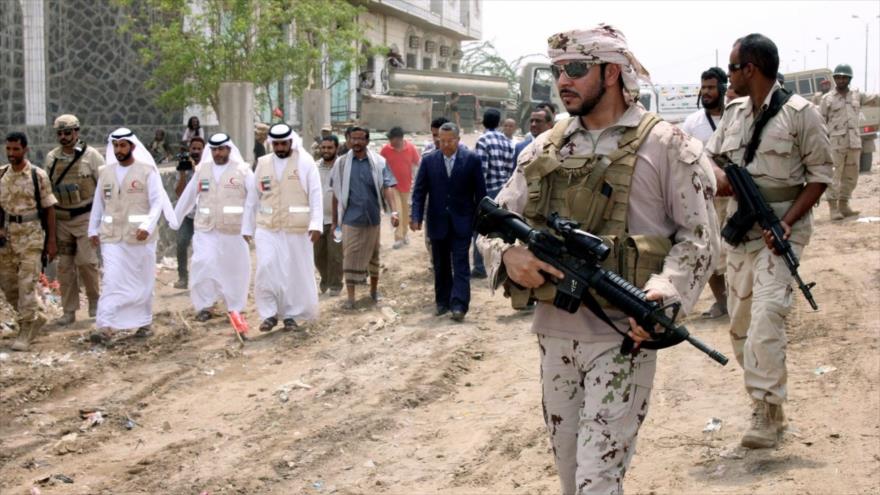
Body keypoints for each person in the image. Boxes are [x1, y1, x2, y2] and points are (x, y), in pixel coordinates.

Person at [477, 24, 717, 493]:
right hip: (554, 337)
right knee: (572, 479)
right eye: (557, 70)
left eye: (576, 69)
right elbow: (493, 225)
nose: (563, 80)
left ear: (611, 72)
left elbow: (700, 238)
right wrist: (509, 259)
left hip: (623, 338)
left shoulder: (666, 146)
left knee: (596, 480)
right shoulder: (545, 148)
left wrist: (667, 291)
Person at [707, 33, 832, 449]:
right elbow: (714, 162)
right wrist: (719, 183)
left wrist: (786, 224)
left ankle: (766, 410)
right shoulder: (733, 113)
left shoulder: (802, 114)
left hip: (783, 232)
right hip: (742, 231)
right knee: (740, 324)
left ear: (751, 69)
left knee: (766, 318)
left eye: (731, 68)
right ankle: (766, 403)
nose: (728, 77)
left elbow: (819, 176)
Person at [87, 128, 177, 344]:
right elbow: (98, 204)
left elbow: (157, 202)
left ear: (132, 147)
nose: (119, 150)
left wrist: (147, 224)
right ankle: (106, 325)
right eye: (116, 146)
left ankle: (144, 322)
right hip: (112, 237)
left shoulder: (147, 171)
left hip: (140, 238)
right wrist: (92, 229)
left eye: (123, 145)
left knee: (142, 281)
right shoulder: (105, 173)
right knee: (111, 279)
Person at [245, 123, 322, 332]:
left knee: (292, 272)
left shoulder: (305, 162)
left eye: (283, 143)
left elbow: (316, 194)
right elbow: (253, 198)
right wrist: (246, 227)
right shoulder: (262, 164)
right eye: (276, 144)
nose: (279, 148)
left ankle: (290, 314)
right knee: (266, 268)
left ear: (291, 142)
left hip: (297, 229)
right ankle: (269, 314)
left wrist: (316, 224)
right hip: (267, 228)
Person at [174, 133, 255, 322]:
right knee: (202, 263)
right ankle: (205, 305)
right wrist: (175, 218)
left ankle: (235, 307)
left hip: (234, 230)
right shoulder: (202, 170)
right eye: (214, 149)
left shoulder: (242, 171)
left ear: (229, 149)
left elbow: (254, 200)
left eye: (221, 149)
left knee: (234, 269)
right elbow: (188, 196)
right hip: (205, 228)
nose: (218, 153)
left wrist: (249, 227)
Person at [410, 122, 486, 322]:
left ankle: (459, 304)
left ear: (458, 140)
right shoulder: (429, 161)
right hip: (437, 221)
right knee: (440, 264)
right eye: (441, 141)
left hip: (462, 221)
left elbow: (480, 194)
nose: (444, 145)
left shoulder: (472, 160)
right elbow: (419, 191)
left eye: (449, 141)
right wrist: (415, 216)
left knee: (460, 263)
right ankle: (442, 302)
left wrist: (481, 221)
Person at [330, 126, 400, 310]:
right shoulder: (341, 164)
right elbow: (336, 193)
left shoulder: (379, 162)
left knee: (374, 256)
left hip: (372, 219)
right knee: (350, 257)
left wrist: (394, 211)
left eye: (361, 139)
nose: (357, 142)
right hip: (350, 219)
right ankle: (351, 298)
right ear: (349, 140)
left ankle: (374, 291)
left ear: (367, 141)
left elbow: (388, 187)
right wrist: (335, 222)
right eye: (353, 138)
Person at [44, 114, 104, 326]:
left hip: (85, 217)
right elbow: (47, 190)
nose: (63, 137)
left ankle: (95, 303)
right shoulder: (52, 158)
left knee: (87, 262)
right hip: (62, 219)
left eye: (67, 132)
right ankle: (69, 311)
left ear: (76, 132)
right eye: (59, 133)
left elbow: (104, 188)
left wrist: (102, 220)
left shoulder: (92, 156)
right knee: (65, 267)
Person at [1, 132, 58, 351]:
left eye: (16, 149)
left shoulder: (37, 175)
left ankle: (26, 330)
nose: (11, 153)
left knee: (26, 284)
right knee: (9, 285)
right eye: (8, 149)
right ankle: (35, 318)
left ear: (25, 149)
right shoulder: (2, 175)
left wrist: (51, 241)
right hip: (7, 237)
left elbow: (49, 209)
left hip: (32, 236)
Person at [681, 67, 730, 319]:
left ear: (723, 87)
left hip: (736, 197)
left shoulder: (736, 115)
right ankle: (723, 303)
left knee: (737, 251)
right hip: (707, 198)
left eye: (712, 87)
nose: (707, 92)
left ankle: (740, 300)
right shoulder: (693, 123)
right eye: (704, 87)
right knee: (710, 252)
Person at [819, 63, 879, 220]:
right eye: (838, 77)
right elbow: (820, 122)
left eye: (844, 77)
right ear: (835, 79)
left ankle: (844, 205)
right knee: (834, 176)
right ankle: (833, 208)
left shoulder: (856, 95)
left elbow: (874, 99)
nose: (840, 80)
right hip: (835, 144)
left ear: (849, 79)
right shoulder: (827, 99)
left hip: (854, 143)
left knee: (851, 176)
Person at [473, 108, 514, 279]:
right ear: (498, 123)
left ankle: (480, 268)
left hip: (487, 191)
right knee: (500, 231)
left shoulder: (482, 141)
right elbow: (511, 169)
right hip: (504, 189)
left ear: (483, 121)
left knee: (480, 230)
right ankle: (500, 268)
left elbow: (481, 171)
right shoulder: (507, 142)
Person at [380, 126, 421, 249]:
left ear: (399, 139)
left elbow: (418, 164)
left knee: (404, 211)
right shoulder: (386, 150)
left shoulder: (411, 148)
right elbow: (380, 165)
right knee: (397, 210)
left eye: (392, 139)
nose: (390, 142)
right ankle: (398, 237)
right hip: (392, 186)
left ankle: (404, 234)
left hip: (406, 185)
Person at [314, 135, 343, 296]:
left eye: (329, 148)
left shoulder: (342, 166)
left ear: (336, 148)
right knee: (318, 255)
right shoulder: (314, 167)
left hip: (338, 220)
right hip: (317, 220)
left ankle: (335, 284)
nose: (326, 151)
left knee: (335, 254)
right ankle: (325, 279)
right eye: (323, 148)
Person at [173, 136, 204, 289]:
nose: (196, 151)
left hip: (205, 216)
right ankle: (183, 277)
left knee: (204, 248)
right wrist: (184, 173)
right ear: (189, 150)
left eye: (199, 149)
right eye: (194, 148)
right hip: (188, 214)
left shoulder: (207, 167)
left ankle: (203, 278)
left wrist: (197, 169)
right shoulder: (183, 167)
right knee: (181, 243)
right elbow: (179, 193)